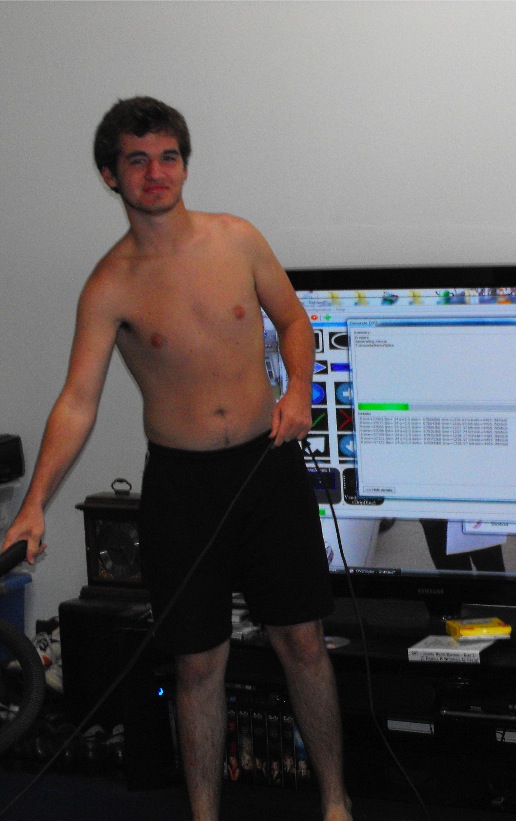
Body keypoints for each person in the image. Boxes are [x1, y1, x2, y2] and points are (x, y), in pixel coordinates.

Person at [0, 97, 352, 821]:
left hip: (266, 467)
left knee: (303, 643)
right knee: (197, 663)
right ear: (111, 176)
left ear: (185, 165)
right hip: (182, 486)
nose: (155, 172)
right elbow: (77, 401)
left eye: (168, 157)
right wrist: (33, 504)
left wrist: (298, 391)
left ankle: (335, 802)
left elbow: (294, 320)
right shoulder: (110, 283)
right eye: (138, 160)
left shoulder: (237, 239)